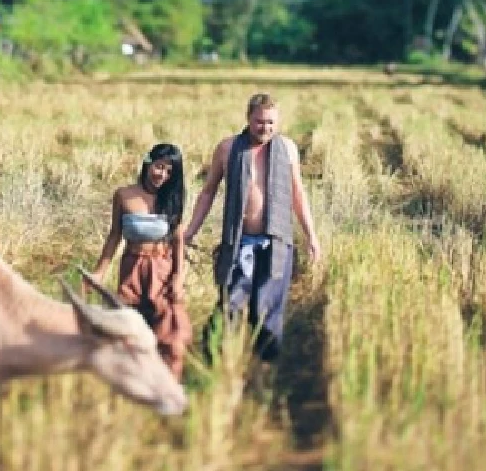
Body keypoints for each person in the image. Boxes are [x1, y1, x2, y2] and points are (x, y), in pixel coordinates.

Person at [183, 92, 321, 361]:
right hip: (239, 242)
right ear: (248, 119)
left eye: (271, 123)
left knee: (267, 310)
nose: (265, 128)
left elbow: (297, 193)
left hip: (276, 242)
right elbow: (208, 192)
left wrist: (311, 235)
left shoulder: (288, 148)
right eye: (260, 122)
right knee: (230, 303)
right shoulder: (227, 148)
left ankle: (265, 367)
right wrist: (190, 231)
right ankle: (213, 362)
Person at [88, 143, 192, 380]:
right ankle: (130, 380)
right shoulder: (124, 195)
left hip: (161, 269)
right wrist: (99, 273)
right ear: (148, 162)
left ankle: (168, 382)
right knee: (128, 323)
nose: (161, 175)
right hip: (132, 267)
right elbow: (114, 235)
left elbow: (178, 242)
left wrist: (178, 278)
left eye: (169, 172)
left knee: (169, 330)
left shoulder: (171, 199)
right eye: (159, 167)